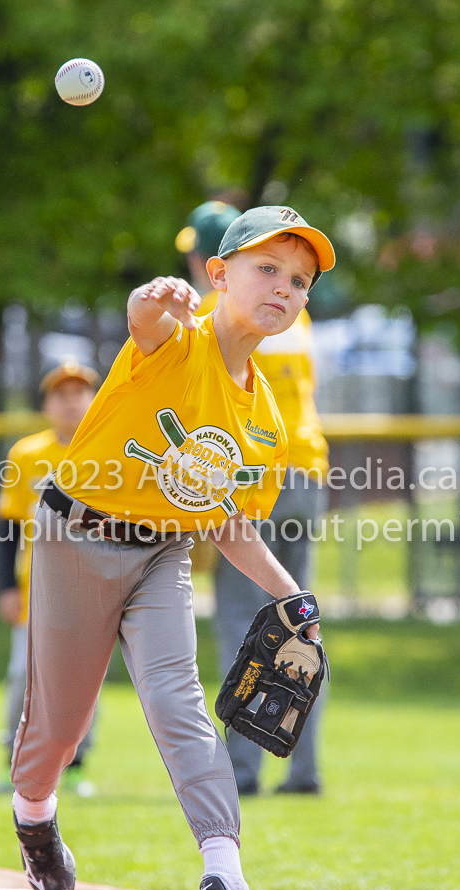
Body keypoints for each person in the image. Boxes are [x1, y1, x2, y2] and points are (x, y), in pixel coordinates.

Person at [9, 205, 335, 890]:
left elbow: (228, 523)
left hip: (162, 554)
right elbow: (142, 321)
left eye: (300, 280)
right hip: (72, 540)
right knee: (60, 724)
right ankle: (34, 814)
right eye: (266, 269)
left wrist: (292, 595)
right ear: (217, 274)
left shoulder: (267, 425)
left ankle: (228, 887)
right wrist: (152, 300)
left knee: (178, 698)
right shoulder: (174, 340)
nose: (284, 288)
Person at [177, 201, 329, 796]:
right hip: (309, 471)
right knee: (302, 621)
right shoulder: (297, 311)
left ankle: (243, 769)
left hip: (251, 477)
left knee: (247, 622)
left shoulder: (227, 315)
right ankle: (306, 770)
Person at [0, 360, 100, 796]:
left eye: (80, 393)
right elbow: (7, 526)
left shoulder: (107, 450)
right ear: (46, 405)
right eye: (61, 394)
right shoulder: (26, 454)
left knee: (82, 680)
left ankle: (75, 765)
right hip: (35, 587)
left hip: (92, 586)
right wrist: (5, 587)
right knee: (24, 674)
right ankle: (13, 760)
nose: (71, 402)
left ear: (95, 401)